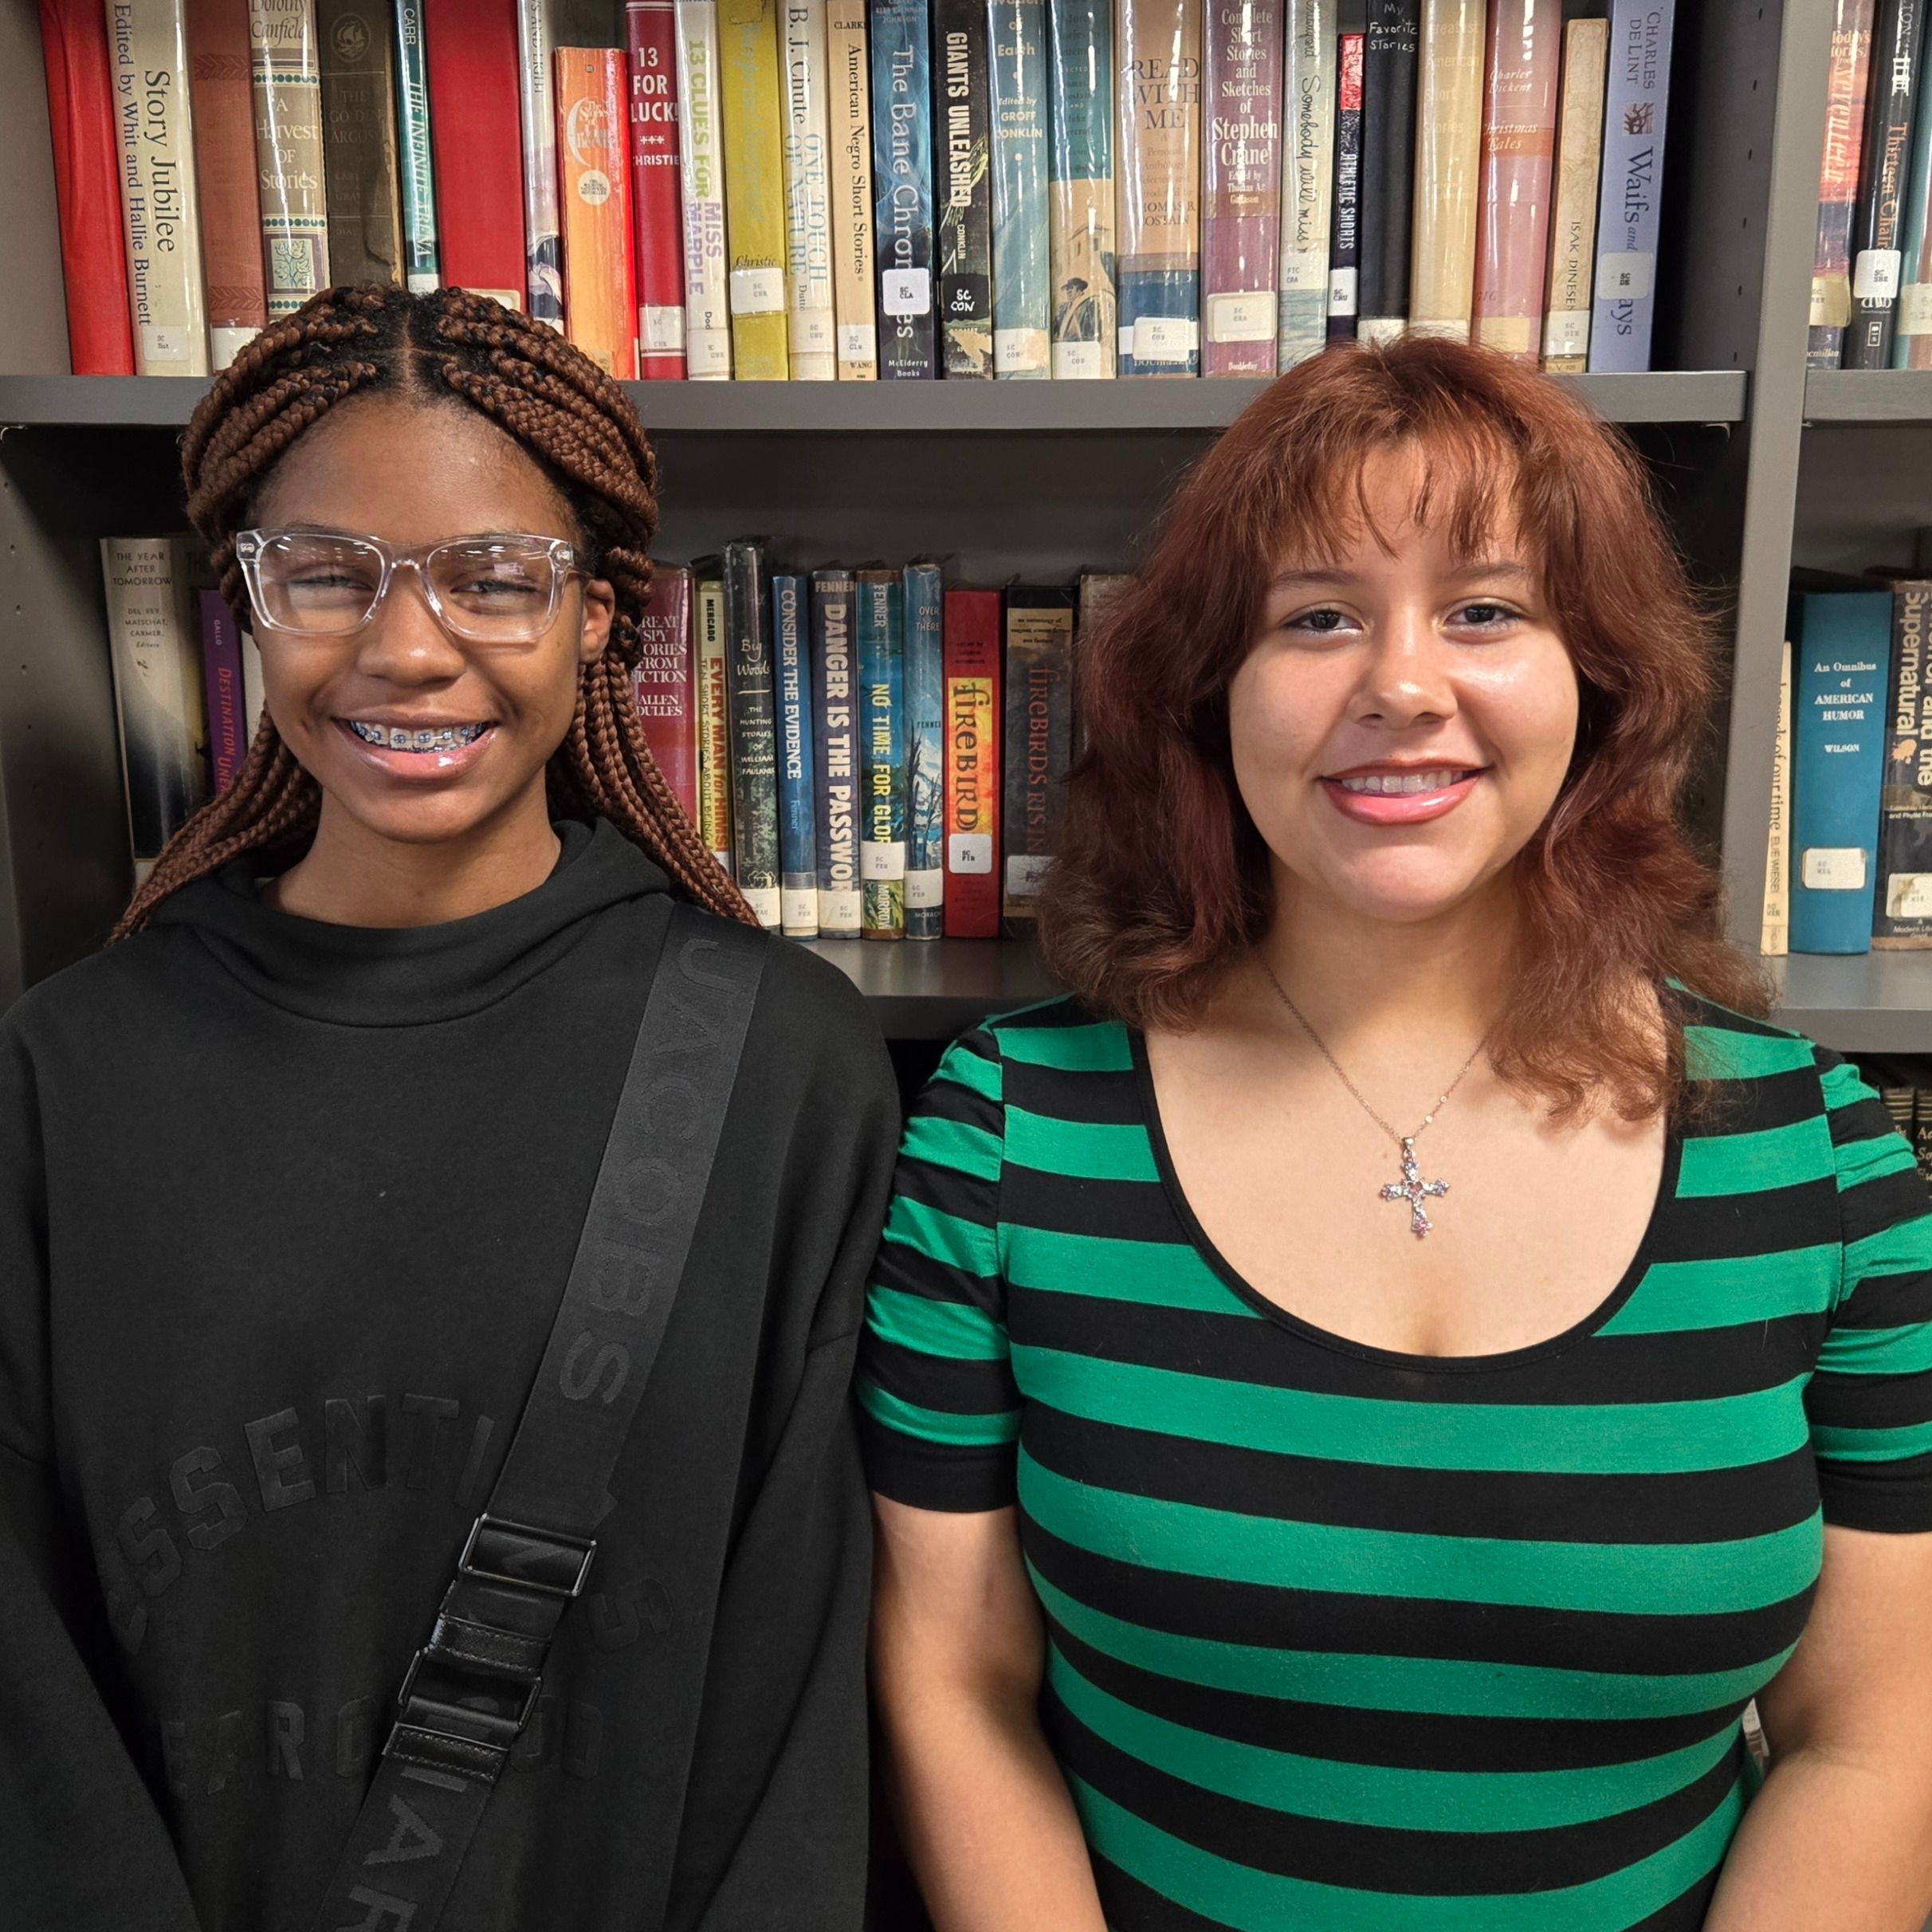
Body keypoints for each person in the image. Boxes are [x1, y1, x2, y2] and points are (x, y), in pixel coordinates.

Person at [858, 338, 1932, 1932]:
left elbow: (1874, 1731)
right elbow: (955, 1684)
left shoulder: (1823, 1166)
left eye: (1487, 609)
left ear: (1603, 681)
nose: (1404, 685)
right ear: (1212, 697)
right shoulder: (1008, 1140)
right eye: (1316, 617)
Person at [0, 285, 897, 1931]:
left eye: (496, 577)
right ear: (247, 608)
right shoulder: (65, 1074)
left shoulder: (784, 1067)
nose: (407, 647)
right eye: (327, 573)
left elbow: (806, 1694)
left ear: (605, 617)